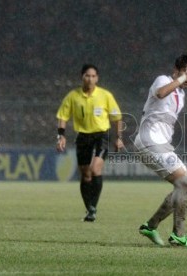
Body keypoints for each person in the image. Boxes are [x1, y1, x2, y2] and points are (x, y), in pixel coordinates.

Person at [135, 54, 187, 247]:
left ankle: (151, 226)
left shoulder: (182, 94)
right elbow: (161, 93)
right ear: (176, 71)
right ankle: (178, 235)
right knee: (184, 183)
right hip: (149, 140)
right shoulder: (163, 80)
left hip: (161, 144)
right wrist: (180, 78)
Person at [56, 64, 124, 222]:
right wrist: (61, 136)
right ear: (82, 77)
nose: (90, 79)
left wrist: (119, 137)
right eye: (87, 76)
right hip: (83, 136)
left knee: (95, 168)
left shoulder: (105, 95)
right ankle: (89, 208)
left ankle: (93, 206)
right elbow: (63, 116)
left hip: (101, 135)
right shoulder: (73, 96)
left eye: (93, 76)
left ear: (97, 78)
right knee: (86, 174)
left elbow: (117, 117)